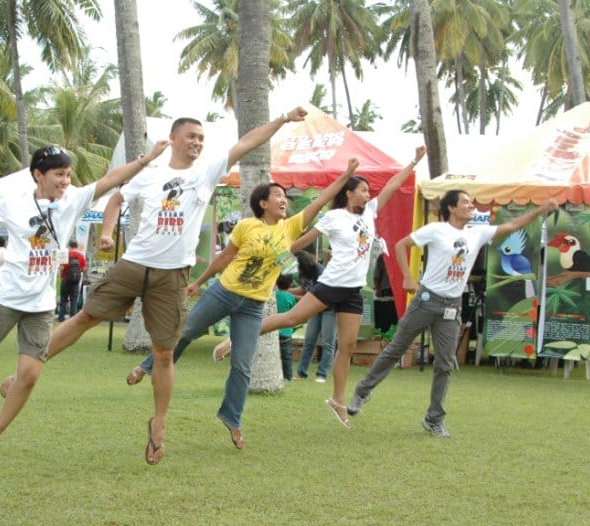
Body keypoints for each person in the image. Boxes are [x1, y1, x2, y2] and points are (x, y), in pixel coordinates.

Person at [39, 107, 309, 465]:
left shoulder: (207, 172)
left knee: (165, 353)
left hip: (172, 276)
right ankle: (30, 368)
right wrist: (106, 232)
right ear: (174, 138)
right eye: (192, 137)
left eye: (201, 138)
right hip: (134, 264)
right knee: (85, 317)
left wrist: (283, 120)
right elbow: (117, 198)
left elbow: (247, 142)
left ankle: (159, 425)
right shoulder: (149, 175)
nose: (198, 143)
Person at [0, 141, 169, 456]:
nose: (65, 180)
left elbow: (110, 180)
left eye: (68, 174)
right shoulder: (14, 204)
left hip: (41, 306)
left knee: (29, 375)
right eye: (59, 174)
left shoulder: (74, 200)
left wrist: (146, 159)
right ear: (39, 175)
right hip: (7, 297)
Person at [124, 161, 356, 450]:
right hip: (224, 293)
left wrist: (345, 175)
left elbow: (321, 200)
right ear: (263, 203)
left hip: (253, 306)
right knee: (185, 332)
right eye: (278, 196)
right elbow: (224, 258)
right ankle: (147, 367)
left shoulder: (291, 226)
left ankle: (232, 418)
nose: (284, 200)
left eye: (285, 196)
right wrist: (200, 282)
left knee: (243, 366)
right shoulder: (247, 225)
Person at [215, 146, 427, 429]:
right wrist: (279, 257)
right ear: (349, 193)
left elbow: (392, 185)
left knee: (347, 346)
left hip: (353, 290)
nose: (367, 194)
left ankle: (338, 400)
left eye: (368, 191)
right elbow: (301, 241)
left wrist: (414, 160)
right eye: (362, 190)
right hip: (330, 284)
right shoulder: (334, 217)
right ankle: (234, 340)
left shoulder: (370, 213)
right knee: (291, 318)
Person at [347, 193, 557, 436]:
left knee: (445, 364)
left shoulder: (477, 233)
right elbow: (400, 245)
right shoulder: (436, 230)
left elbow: (512, 225)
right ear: (452, 207)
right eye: (466, 202)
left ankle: (434, 419)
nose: (471, 206)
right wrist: (406, 276)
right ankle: (362, 392)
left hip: (452, 307)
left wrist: (541, 209)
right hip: (426, 301)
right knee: (396, 349)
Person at [293, 250, 335, 381]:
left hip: (329, 307)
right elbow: (304, 289)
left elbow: (313, 296)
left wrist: (291, 296)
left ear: (303, 265)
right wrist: (284, 291)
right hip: (314, 308)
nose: (296, 270)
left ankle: (322, 374)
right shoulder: (304, 272)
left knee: (328, 342)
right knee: (309, 340)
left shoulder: (320, 272)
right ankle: (301, 372)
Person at [275, 272, 298, 381]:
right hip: (286, 332)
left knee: (274, 355)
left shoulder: (273, 295)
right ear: (290, 284)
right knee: (287, 356)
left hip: (273, 330)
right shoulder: (291, 297)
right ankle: (288, 376)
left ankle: (274, 374)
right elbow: (294, 312)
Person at [57, 239, 86, 321]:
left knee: (63, 300)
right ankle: (72, 319)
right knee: (74, 300)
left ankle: (61, 317)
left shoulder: (65, 255)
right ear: (76, 246)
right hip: (75, 281)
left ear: (69, 246)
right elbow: (83, 269)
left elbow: (62, 268)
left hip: (65, 280)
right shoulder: (81, 256)